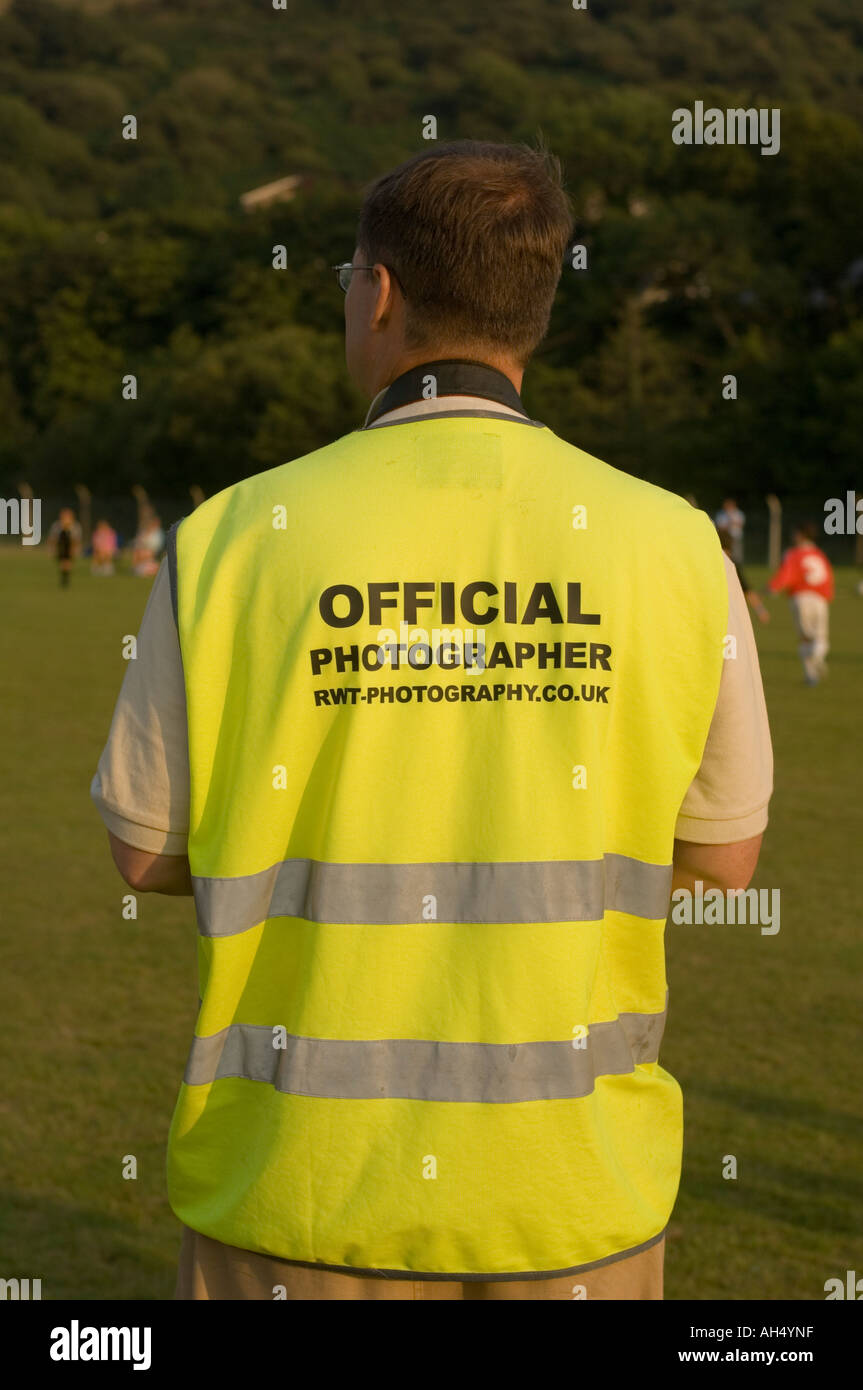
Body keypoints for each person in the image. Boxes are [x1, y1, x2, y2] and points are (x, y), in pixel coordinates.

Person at [91, 141, 772, 1302]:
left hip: (295, 1196)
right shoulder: (674, 544)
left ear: (382, 292)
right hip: (570, 1199)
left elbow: (144, 849)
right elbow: (721, 852)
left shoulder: (229, 534)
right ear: (535, 311)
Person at [768, 522, 834, 684]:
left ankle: (811, 673)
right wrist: (828, 595)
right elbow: (828, 576)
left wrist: (773, 587)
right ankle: (817, 661)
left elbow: (787, 573)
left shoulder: (793, 554)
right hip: (819, 599)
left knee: (805, 638)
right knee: (820, 638)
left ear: (800, 535)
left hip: (800, 598)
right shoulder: (820, 554)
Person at [716, 526, 769, 623]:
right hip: (730, 612)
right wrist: (761, 611)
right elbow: (747, 590)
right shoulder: (732, 563)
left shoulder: (711, 560)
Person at [47, 507, 82, 588]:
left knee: (67, 562)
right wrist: (51, 548)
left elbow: (76, 540)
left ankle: (65, 579)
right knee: (63, 562)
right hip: (61, 546)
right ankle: (64, 578)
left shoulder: (75, 527)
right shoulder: (57, 526)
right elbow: (53, 538)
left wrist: (76, 549)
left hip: (70, 546)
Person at [132, 511, 165, 577]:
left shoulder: (159, 533)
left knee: (144, 555)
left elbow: (156, 547)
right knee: (138, 553)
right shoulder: (146, 532)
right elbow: (139, 543)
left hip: (152, 552)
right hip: (145, 552)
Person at [715, 497, 745, 565]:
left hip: (736, 537)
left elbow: (740, 524)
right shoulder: (721, 514)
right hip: (725, 538)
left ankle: (737, 565)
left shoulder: (738, 513)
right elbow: (720, 526)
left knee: (737, 554)